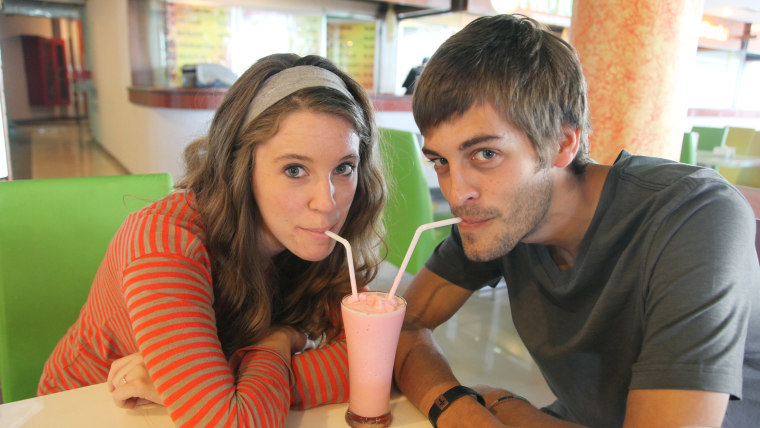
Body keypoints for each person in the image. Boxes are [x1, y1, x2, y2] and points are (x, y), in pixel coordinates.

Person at [393, 14, 760, 428]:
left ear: (562, 142)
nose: (458, 194)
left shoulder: (693, 217)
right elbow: (400, 327)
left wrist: (509, 411)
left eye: (485, 154)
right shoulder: (495, 217)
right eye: (441, 161)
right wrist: (455, 406)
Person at [38, 53, 387, 427]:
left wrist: (243, 368)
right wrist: (279, 346)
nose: (327, 203)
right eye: (294, 169)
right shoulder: (163, 241)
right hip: (81, 412)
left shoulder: (310, 240)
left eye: (344, 168)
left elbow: (379, 358)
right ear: (240, 164)